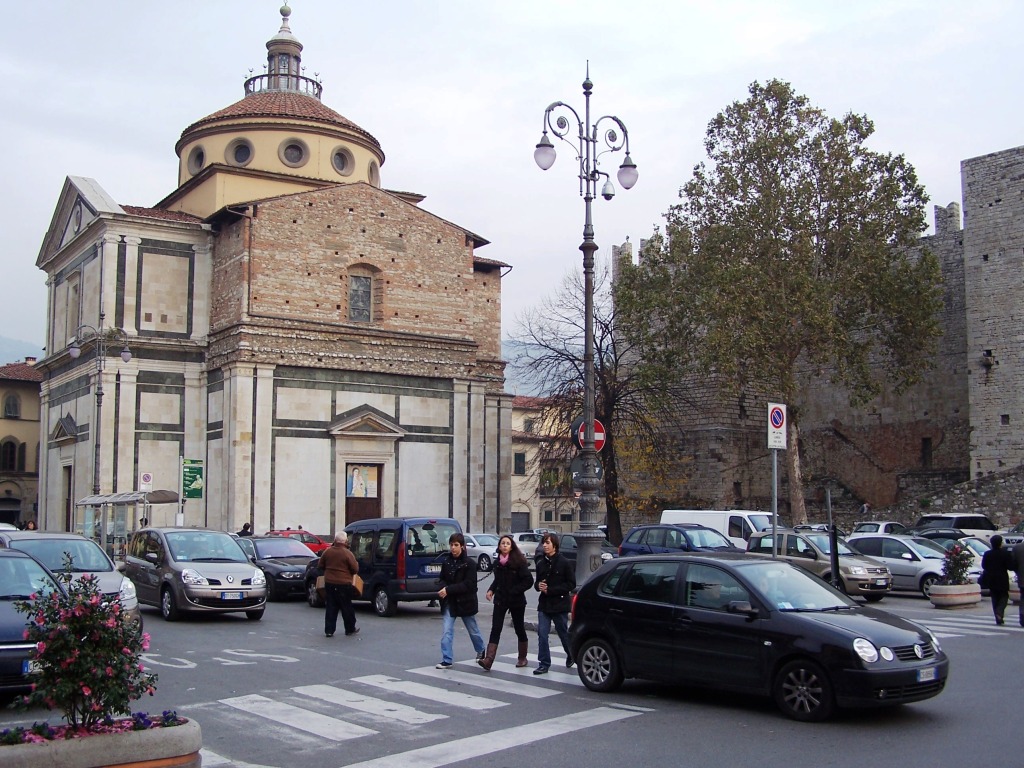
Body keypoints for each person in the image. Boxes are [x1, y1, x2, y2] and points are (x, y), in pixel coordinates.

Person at [479, 535, 534, 670]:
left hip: (516, 601)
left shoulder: (519, 562)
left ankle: (522, 657)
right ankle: (489, 659)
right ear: (499, 546)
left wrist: (515, 590)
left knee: (519, 628)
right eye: (502, 543)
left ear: (511, 547)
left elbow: (528, 581)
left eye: (507, 543)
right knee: (496, 628)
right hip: (501, 600)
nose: (504, 545)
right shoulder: (498, 563)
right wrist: (491, 590)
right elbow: (497, 580)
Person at [435, 532, 485, 669]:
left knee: (472, 629)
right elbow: (442, 578)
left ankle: (481, 650)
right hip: (450, 602)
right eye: (451, 545)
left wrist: (448, 590)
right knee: (447, 631)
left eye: (456, 545)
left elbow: (469, 585)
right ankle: (447, 659)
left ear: (462, 546)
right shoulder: (447, 561)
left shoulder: (469, 563)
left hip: (465, 602)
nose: (453, 548)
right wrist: (441, 587)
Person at [533, 532, 575, 675]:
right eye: (544, 542)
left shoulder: (564, 562)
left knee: (563, 632)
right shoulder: (541, 563)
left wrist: (550, 590)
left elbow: (571, 584)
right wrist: (539, 585)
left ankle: (571, 654)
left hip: (559, 603)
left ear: (555, 545)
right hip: (544, 604)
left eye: (548, 543)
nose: (544, 545)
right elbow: (536, 582)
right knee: (542, 634)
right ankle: (544, 663)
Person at [318, 531, 360, 637]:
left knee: (331, 607)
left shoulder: (327, 552)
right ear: (345, 541)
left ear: (335, 541)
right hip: (344, 583)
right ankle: (350, 629)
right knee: (346, 607)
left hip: (329, 583)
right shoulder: (347, 553)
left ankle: (329, 630)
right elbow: (355, 569)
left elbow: (320, 565)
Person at [981, 534, 1011, 625]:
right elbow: (1010, 566)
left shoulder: (988, 554)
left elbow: (984, 566)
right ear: (1000, 543)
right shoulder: (1005, 553)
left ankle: (998, 617)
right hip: (1002, 578)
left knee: (995, 598)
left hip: (991, 578)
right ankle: (999, 612)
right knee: (1004, 596)